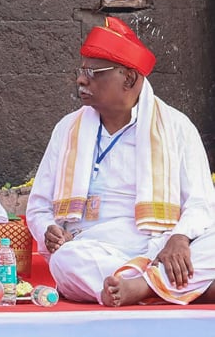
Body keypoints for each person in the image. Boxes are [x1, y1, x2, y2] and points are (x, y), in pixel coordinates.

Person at [26, 16, 215, 307]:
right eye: (81, 70)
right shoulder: (67, 128)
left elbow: (201, 203)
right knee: (66, 260)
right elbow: (38, 206)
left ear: (128, 78)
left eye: (93, 72)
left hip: (161, 246)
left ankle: (140, 287)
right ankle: (167, 286)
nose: (81, 79)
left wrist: (179, 238)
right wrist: (48, 229)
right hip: (94, 248)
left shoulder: (176, 126)